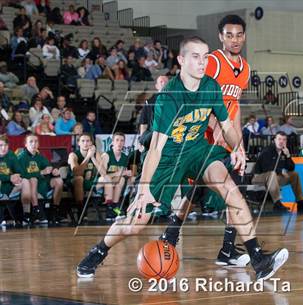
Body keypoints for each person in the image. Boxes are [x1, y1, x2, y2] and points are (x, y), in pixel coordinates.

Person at [76, 36, 288, 280]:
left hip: (198, 149)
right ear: (181, 60)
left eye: (205, 56)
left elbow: (227, 125)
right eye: (195, 56)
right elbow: (155, 149)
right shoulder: (169, 97)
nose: (202, 62)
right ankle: (99, 250)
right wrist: (144, 188)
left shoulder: (210, 86)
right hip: (168, 158)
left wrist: (237, 147)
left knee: (232, 191)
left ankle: (259, 259)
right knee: (137, 222)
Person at [160, 15, 253, 267]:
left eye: (239, 35)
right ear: (221, 37)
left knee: (234, 187)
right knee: (196, 192)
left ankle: (226, 249)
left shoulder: (245, 69)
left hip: (226, 138)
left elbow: (235, 108)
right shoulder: (211, 62)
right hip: (201, 137)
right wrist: (216, 126)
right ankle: (172, 235)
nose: (234, 39)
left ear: (244, 37)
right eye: (229, 35)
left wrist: (239, 143)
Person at [252, 132, 303, 213]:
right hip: (259, 177)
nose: (281, 141)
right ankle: (277, 203)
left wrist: (288, 155)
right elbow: (266, 168)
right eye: (279, 139)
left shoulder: (284, 152)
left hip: (274, 178)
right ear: (274, 140)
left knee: (294, 174)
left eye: (284, 140)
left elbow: (291, 168)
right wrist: (281, 171)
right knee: (272, 174)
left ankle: (300, 203)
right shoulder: (267, 150)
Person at [18, 134, 64, 224]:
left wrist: (53, 170)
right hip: (29, 185)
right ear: (26, 144)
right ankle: (36, 210)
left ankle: (55, 211)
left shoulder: (40, 156)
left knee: (59, 181)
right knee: (33, 179)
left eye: (36, 141)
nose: (34, 144)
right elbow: (22, 175)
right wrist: (41, 172)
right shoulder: (21, 157)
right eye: (31, 142)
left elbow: (48, 166)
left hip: (42, 182)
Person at [96, 132, 130, 221]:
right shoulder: (106, 155)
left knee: (122, 179)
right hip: (101, 181)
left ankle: (114, 207)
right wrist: (117, 173)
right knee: (109, 180)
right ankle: (111, 207)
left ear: (124, 143)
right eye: (117, 140)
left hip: (114, 182)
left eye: (122, 140)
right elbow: (102, 174)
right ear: (112, 142)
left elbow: (124, 173)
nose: (119, 143)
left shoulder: (125, 157)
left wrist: (127, 173)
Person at [68, 133, 101, 220]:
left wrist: (93, 157)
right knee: (79, 179)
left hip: (91, 182)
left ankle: (112, 210)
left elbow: (103, 172)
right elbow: (77, 173)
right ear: (78, 143)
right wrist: (88, 157)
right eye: (83, 141)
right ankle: (81, 211)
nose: (85, 143)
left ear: (91, 143)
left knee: (107, 179)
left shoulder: (96, 154)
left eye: (88, 141)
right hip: (74, 182)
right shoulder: (73, 155)